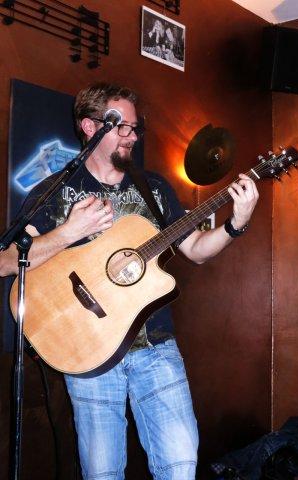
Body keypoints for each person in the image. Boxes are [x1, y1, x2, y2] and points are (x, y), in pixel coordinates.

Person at [0, 82, 259, 479]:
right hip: (88, 352)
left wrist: (235, 225)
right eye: (121, 127)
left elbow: (196, 249)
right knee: (102, 473)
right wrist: (68, 233)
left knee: (181, 465)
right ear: (90, 127)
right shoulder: (54, 192)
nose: (132, 137)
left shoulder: (153, 189)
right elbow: (6, 262)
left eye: (135, 128)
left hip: (155, 347)